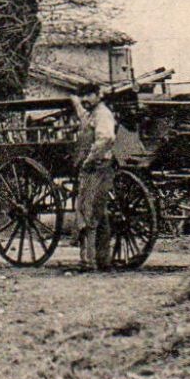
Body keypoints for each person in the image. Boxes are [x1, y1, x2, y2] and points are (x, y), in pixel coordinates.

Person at [71, 83, 117, 271]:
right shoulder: (91, 113)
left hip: (98, 167)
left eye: (89, 95)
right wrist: (74, 101)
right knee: (98, 211)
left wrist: (89, 159)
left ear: (99, 95)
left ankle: (88, 261)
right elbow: (82, 114)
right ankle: (101, 260)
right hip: (95, 167)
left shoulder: (102, 114)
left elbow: (106, 138)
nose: (85, 100)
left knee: (87, 211)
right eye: (83, 97)